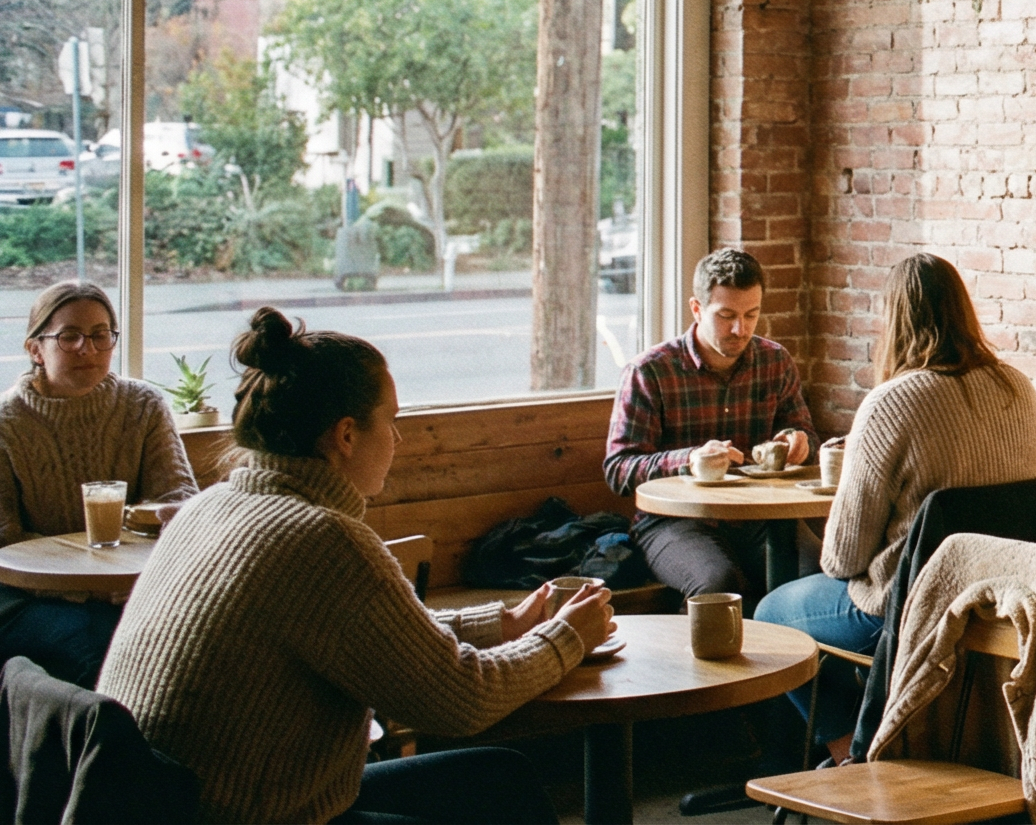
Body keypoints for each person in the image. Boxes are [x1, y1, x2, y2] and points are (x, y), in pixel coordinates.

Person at [99, 308, 613, 825]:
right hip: (239, 816)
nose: (399, 440)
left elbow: (359, 636)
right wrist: (565, 638)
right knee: (501, 791)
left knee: (500, 780)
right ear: (346, 435)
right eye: (391, 421)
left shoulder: (210, 507)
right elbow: (461, 701)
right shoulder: (320, 539)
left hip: (160, 802)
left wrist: (501, 624)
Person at [753, 252, 1036, 758]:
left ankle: (855, 754)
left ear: (893, 321)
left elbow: (843, 559)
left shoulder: (890, 403)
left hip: (913, 604)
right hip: (1008, 600)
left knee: (768, 617)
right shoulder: (1018, 386)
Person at [0, 280, 198, 685]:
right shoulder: (7, 423)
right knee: (101, 654)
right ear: (35, 349)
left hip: (130, 588)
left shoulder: (143, 405)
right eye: (68, 336)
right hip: (28, 596)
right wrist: (85, 587)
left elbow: (178, 499)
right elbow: (5, 539)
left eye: (100, 335)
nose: (87, 349)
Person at [604, 246, 815, 599]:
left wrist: (800, 441)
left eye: (752, 314)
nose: (740, 328)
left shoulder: (775, 361)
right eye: (726, 315)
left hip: (762, 518)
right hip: (673, 522)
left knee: (818, 581)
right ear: (696, 309)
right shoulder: (649, 371)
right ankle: (685, 652)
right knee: (719, 586)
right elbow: (618, 470)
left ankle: (795, 655)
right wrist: (688, 461)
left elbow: (805, 435)